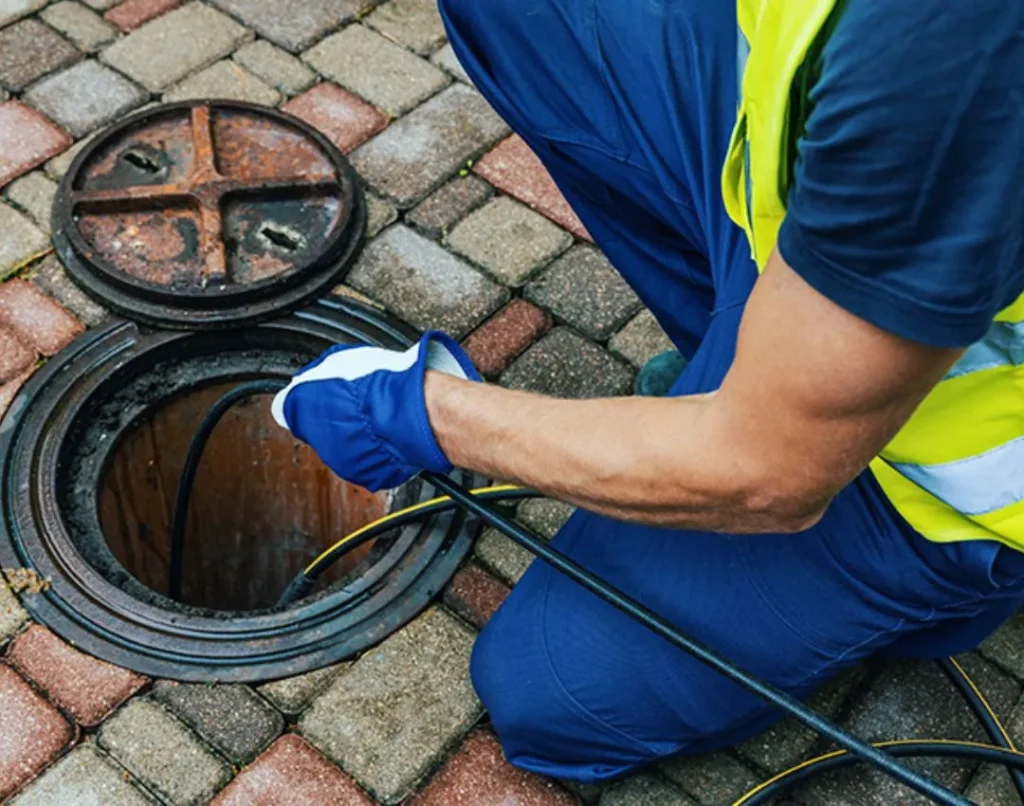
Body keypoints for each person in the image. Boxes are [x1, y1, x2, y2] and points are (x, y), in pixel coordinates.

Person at [271, 0, 1024, 784]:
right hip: (818, 236)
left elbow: (768, 472)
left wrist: (426, 414)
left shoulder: (957, 47)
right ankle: (761, 365)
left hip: (919, 481)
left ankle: (950, 589)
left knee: (551, 693)